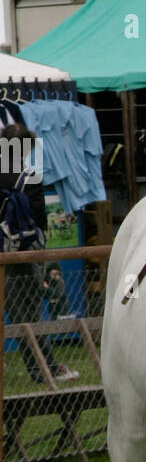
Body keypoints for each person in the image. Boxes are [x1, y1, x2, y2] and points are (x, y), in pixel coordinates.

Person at [0, 123, 79, 384]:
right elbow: (40, 222)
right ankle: (47, 369)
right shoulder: (29, 177)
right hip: (22, 258)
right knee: (30, 318)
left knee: (21, 317)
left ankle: (39, 370)